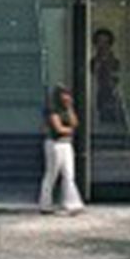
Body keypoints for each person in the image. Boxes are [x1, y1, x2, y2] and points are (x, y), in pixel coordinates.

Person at [38, 85, 85, 215]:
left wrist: (70, 108)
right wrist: (70, 130)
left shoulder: (66, 109)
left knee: (69, 174)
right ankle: (45, 204)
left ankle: (71, 203)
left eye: (68, 95)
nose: (67, 97)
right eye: (65, 94)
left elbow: (75, 123)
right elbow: (58, 128)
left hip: (66, 144)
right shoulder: (53, 110)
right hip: (55, 144)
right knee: (52, 174)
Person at [90, 27, 125, 128]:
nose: (102, 45)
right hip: (98, 96)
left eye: (105, 42)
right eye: (99, 42)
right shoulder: (93, 62)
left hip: (113, 96)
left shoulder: (116, 62)